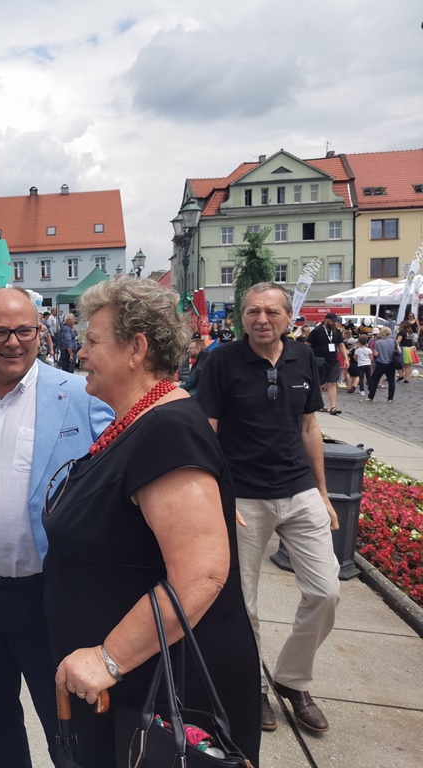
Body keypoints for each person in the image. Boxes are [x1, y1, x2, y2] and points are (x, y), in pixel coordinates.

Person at [44, 276, 260, 767]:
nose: (80, 353)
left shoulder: (167, 430)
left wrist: (109, 658)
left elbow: (201, 575)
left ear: (136, 349)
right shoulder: (143, 420)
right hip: (127, 686)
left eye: (93, 341)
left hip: (156, 692)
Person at [0, 287, 113, 767]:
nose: (13, 342)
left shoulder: (78, 395)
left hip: (47, 597)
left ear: (41, 333)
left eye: (24, 330)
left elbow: (124, 465)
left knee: (67, 730)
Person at [197, 282, 340, 735]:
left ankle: (292, 680)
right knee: (243, 603)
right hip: (242, 496)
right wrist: (217, 495)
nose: (262, 319)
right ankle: (251, 686)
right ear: (242, 316)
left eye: (272, 311)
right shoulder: (222, 360)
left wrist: (322, 493)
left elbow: (309, 427)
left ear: (288, 317)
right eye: (253, 311)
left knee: (326, 592)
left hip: (298, 490)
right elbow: (207, 430)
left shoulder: (303, 358)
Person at [307, 312, 346, 415]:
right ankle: (319, 405)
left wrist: (346, 358)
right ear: (326, 320)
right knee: (319, 383)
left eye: (335, 322)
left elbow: (341, 345)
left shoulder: (336, 332)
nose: (334, 323)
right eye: (332, 321)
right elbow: (307, 344)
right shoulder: (317, 331)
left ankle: (333, 406)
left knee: (332, 383)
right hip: (319, 360)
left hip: (333, 361)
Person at [367, 325, 399, 403]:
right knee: (391, 381)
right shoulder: (394, 341)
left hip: (381, 363)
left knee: (374, 380)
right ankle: (390, 398)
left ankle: (371, 396)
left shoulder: (378, 342)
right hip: (391, 363)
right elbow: (399, 351)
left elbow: (376, 354)